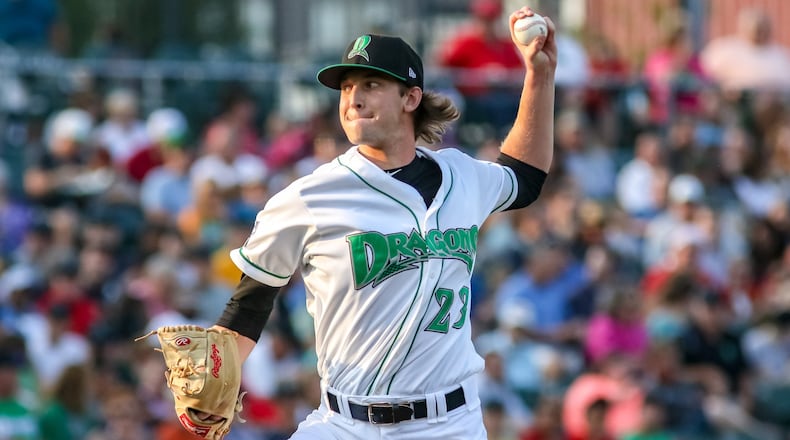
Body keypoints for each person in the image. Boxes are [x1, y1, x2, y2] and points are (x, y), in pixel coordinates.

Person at [188, 6, 557, 439]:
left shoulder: (464, 176)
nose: (353, 99)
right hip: (343, 422)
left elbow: (525, 177)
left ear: (410, 98)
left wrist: (539, 75)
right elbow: (249, 306)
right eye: (346, 88)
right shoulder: (307, 197)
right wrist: (212, 373)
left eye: (371, 84)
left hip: (450, 423)